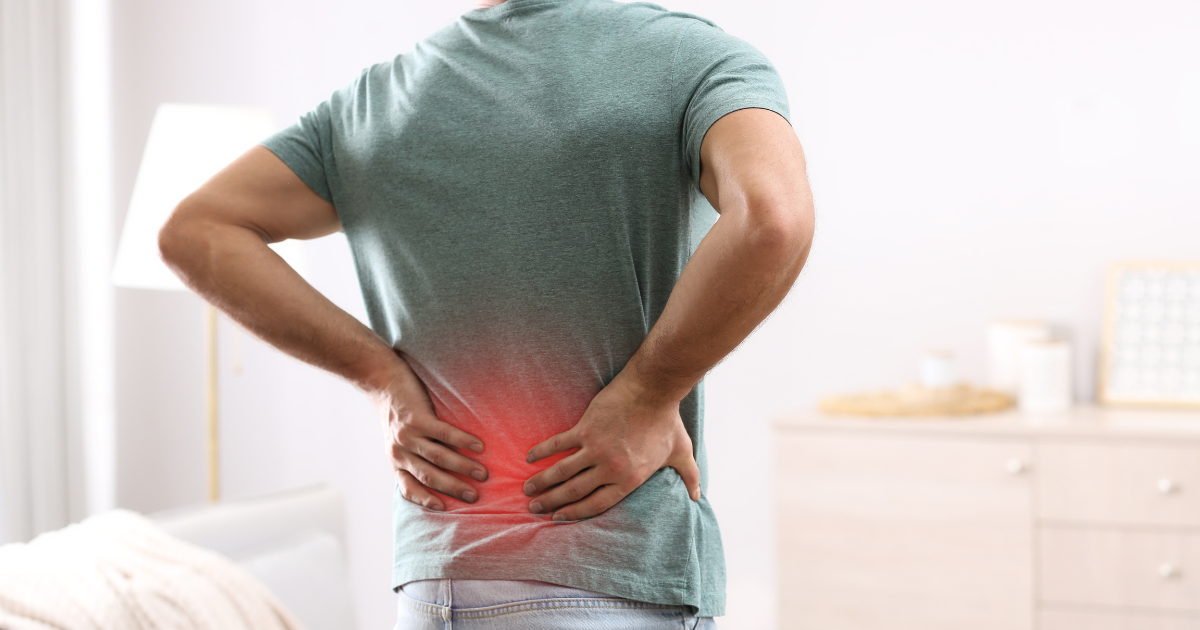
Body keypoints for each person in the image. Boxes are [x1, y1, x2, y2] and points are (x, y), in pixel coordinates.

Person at [158, 0, 814, 627]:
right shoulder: (695, 59)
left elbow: (196, 231)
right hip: (610, 573)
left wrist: (380, 377)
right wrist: (649, 392)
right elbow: (773, 218)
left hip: (433, 584)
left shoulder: (374, 100)